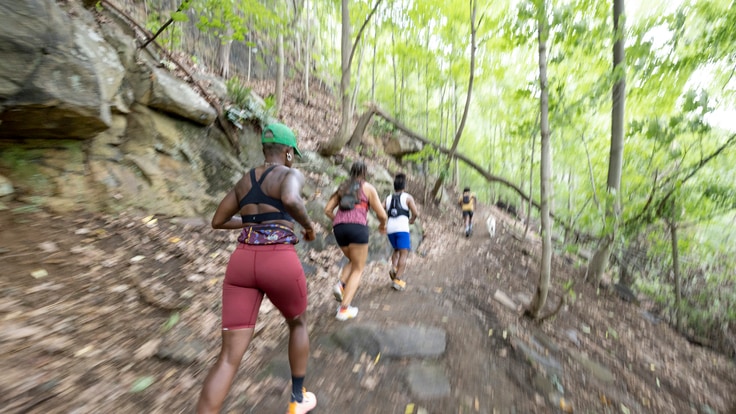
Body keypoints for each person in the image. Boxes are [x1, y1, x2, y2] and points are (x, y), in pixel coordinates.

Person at [196, 123, 318, 414]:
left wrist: (252, 224)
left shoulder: (245, 180)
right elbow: (290, 198)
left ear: (265, 149)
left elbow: (218, 220)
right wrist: (308, 226)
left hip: (241, 264)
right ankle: (297, 400)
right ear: (288, 153)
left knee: (228, 357)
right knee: (298, 323)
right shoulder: (291, 174)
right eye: (293, 154)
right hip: (278, 261)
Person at [324, 161, 388, 321]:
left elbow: (327, 209)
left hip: (339, 229)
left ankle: (341, 285)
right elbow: (382, 215)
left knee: (353, 260)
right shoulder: (368, 188)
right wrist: (382, 225)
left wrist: (339, 220)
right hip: (357, 228)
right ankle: (344, 309)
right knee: (359, 268)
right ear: (364, 173)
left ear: (351, 172)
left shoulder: (342, 188)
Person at [384, 173, 419, 291]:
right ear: (404, 186)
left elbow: (381, 207)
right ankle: (397, 279)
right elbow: (415, 213)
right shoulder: (408, 197)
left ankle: (394, 268)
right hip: (402, 228)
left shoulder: (388, 198)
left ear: (394, 187)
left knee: (396, 250)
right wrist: (412, 220)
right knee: (404, 253)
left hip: (390, 229)